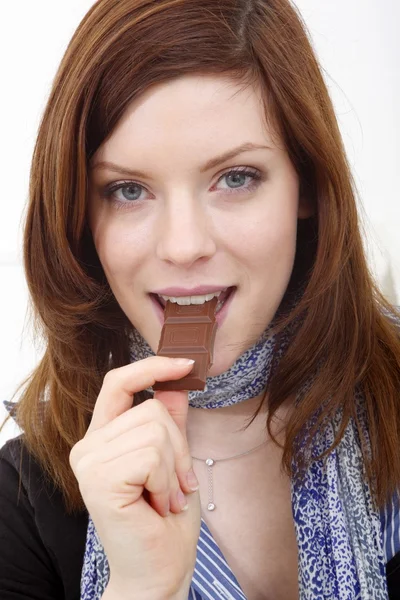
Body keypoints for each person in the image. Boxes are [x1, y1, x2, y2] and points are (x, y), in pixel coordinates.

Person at [1, 0, 400, 598]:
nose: (184, 247)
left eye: (235, 177)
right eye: (128, 190)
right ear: (81, 218)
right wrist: (142, 586)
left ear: (308, 185)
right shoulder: (25, 499)